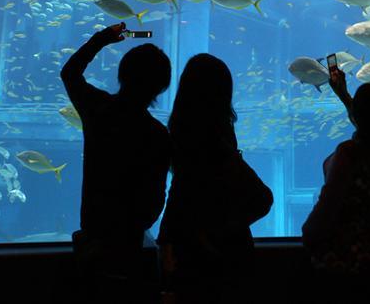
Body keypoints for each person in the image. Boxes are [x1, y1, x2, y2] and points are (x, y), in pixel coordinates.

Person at [60, 22, 172, 303]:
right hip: (130, 246)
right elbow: (158, 196)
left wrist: (101, 40)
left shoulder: (98, 109)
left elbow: (69, 72)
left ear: (122, 75)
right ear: (162, 86)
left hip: (92, 238)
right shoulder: (158, 135)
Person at [158, 53, 273, 304]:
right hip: (227, 256)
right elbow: (263, 199)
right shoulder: (218, 143)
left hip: (190, 256)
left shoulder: (179, 136)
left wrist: (169, 238)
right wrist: (222, 230)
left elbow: (179, 193)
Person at [302, 65, 370, 301]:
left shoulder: (348, 154)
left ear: (359, 115)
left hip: (346, 260)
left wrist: (309, 233)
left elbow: (328, 206)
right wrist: (343, 94)